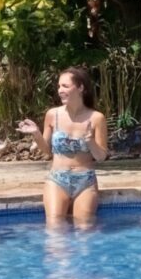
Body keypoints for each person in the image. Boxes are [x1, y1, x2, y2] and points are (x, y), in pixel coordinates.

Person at [30, 64, 108, 227]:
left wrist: (90, 141)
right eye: (59, 86)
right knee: (55, 229)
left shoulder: (96, 118)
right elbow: (47, 151)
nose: (60, 90)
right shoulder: (53, 115)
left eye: (65, 86)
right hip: (57, 179)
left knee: (85, 230)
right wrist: (36, 134)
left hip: (85, 180)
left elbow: (101, 157)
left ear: (80, 88)